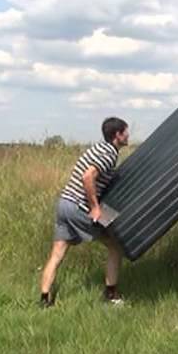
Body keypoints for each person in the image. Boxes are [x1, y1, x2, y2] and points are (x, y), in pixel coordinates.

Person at [39, 117, 130, 307]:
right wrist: (95, 207)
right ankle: (111, 296)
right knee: (115, 246)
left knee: (57, 253)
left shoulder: (99, 148)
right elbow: (87, 176)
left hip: (64, 203)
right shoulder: (109, 154)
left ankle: (44, 300)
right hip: (77, 207)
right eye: (125, 132)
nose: (128, 135)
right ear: (117, 135)